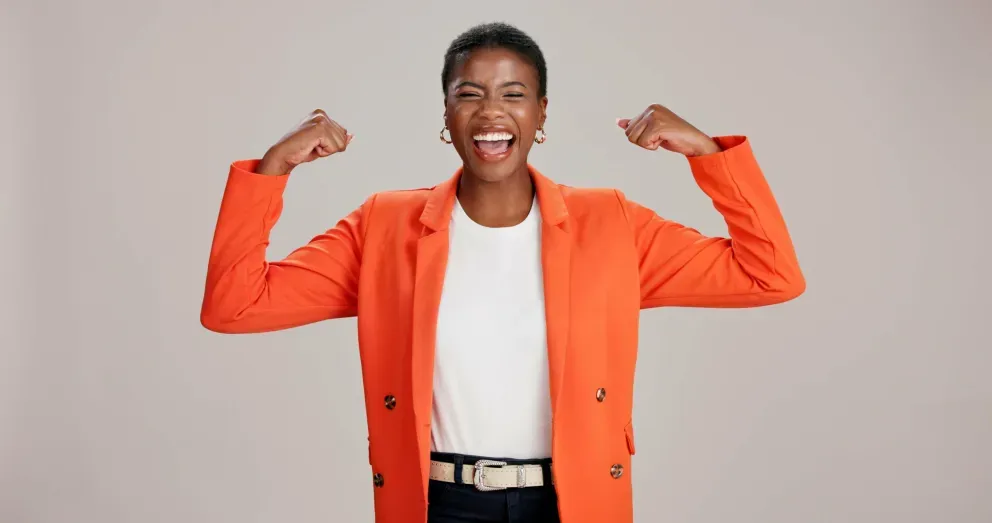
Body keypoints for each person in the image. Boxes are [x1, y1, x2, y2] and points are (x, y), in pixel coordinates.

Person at [200, 21, 805, 523]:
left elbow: (769, 274)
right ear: (446, 111)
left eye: (514, 93)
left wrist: (706, 155)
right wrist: (272, 169)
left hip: (572, 504)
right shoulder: (384, 226)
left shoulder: (611, 224)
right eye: (469, 93)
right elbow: (236, 306)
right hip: (439, 504)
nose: (491, 111)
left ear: (541, 113)